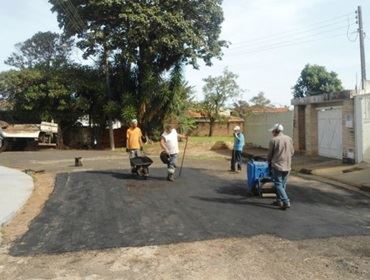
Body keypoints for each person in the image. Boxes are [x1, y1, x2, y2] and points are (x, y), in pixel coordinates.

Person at [267, 123, 294, 210]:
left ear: (275, 131)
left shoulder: (274, 140)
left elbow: (269, 154)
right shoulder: (289, 138)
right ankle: (279, 200)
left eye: (272, 131)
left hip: (277, 165)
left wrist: (269, 162)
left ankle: (286, 201)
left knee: (278, 184)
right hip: (287, 165)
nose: (272, 133)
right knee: (283, 184)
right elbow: (292, 152)